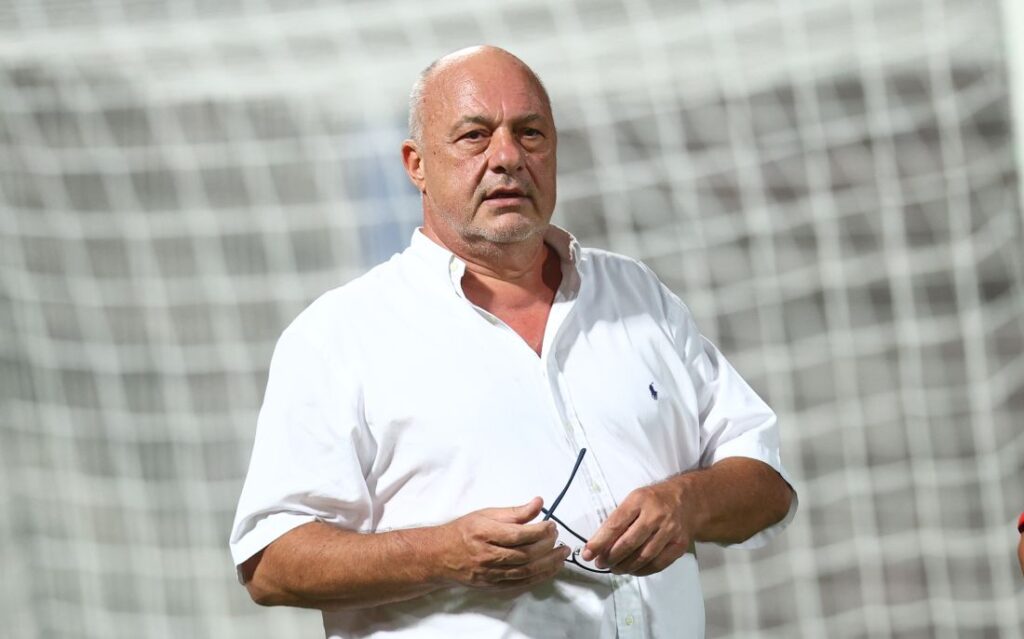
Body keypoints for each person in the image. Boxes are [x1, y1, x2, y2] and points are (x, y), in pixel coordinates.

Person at [229, 45, 797, 639]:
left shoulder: (639, 297)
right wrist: (442, 555)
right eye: (474, 136)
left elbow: (767, 487)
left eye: (530, 133)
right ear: (415, 164)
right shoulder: (339, 334)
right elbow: (270, 564)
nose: (507, 157)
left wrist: (688, 502)